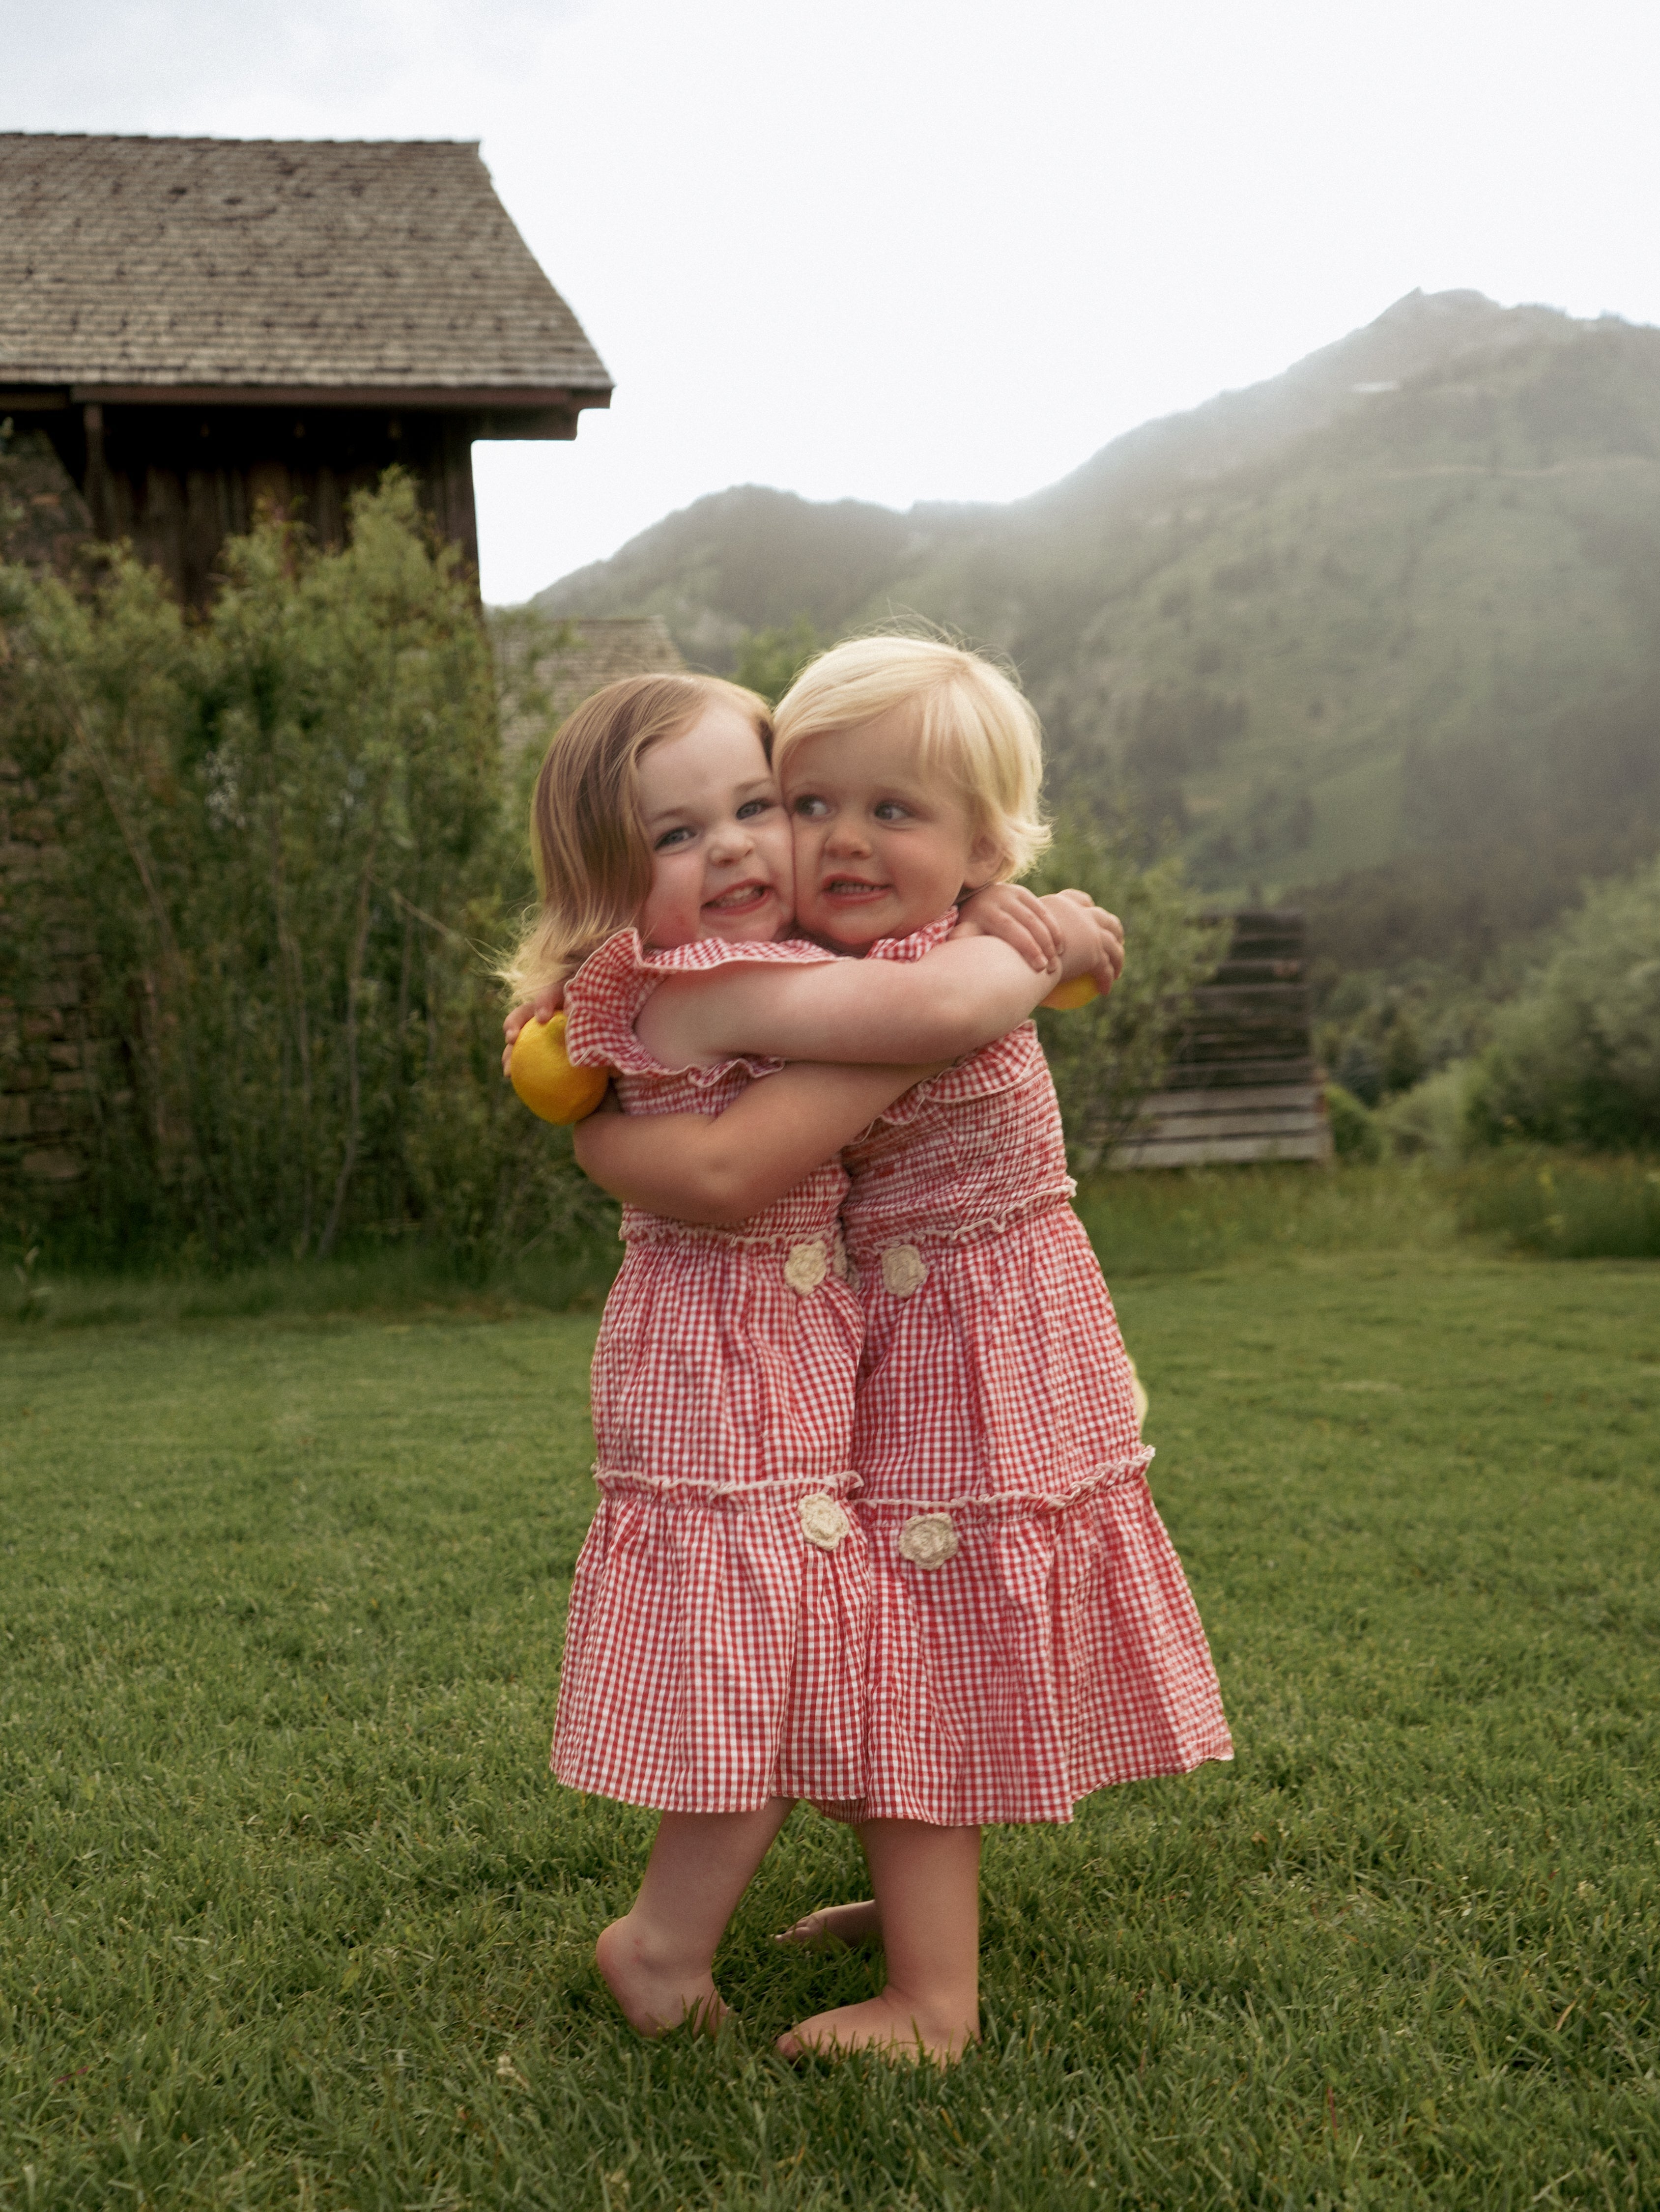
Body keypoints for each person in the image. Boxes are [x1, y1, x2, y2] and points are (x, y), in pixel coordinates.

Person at [574, 637, 1232, 2064]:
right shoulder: (835, 972)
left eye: (891, 812)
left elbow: (945, 998)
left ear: (981, 841)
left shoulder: (898, 955)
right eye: (809, 804)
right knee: (901, 1636)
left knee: (922, 1640)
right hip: (896, 1336)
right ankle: (916, 1921)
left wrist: (1028, 923)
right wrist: (1022, 937)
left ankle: (934, 1998)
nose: (822, 843)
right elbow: (910, 1030)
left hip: (978, 1347)